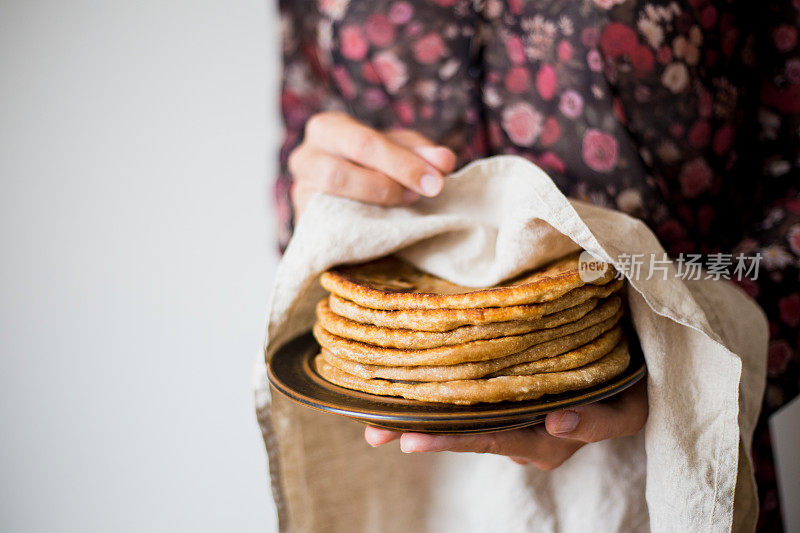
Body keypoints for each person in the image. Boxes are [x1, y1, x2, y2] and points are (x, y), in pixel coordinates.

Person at [273, 0, 799, 529]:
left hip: (671, 462)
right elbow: (305, 131)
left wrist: (686, 362)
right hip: (396, 462)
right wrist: (320, 200)